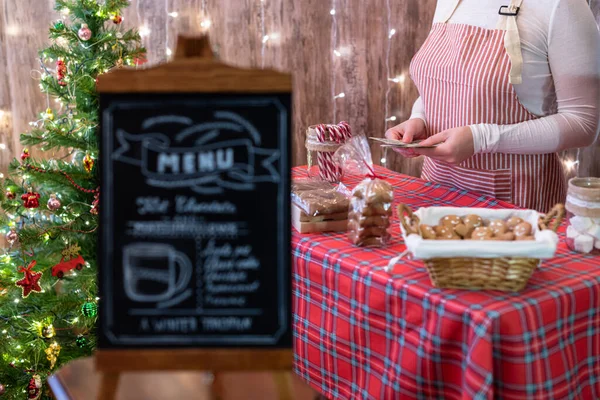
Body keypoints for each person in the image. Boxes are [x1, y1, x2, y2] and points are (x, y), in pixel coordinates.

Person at [385, 0, 600, 212]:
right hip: (436, 192)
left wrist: (483, 138)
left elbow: (583, 123)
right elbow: (447, 83)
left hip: (516, 206)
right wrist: (419, 117)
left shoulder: (561, 5)